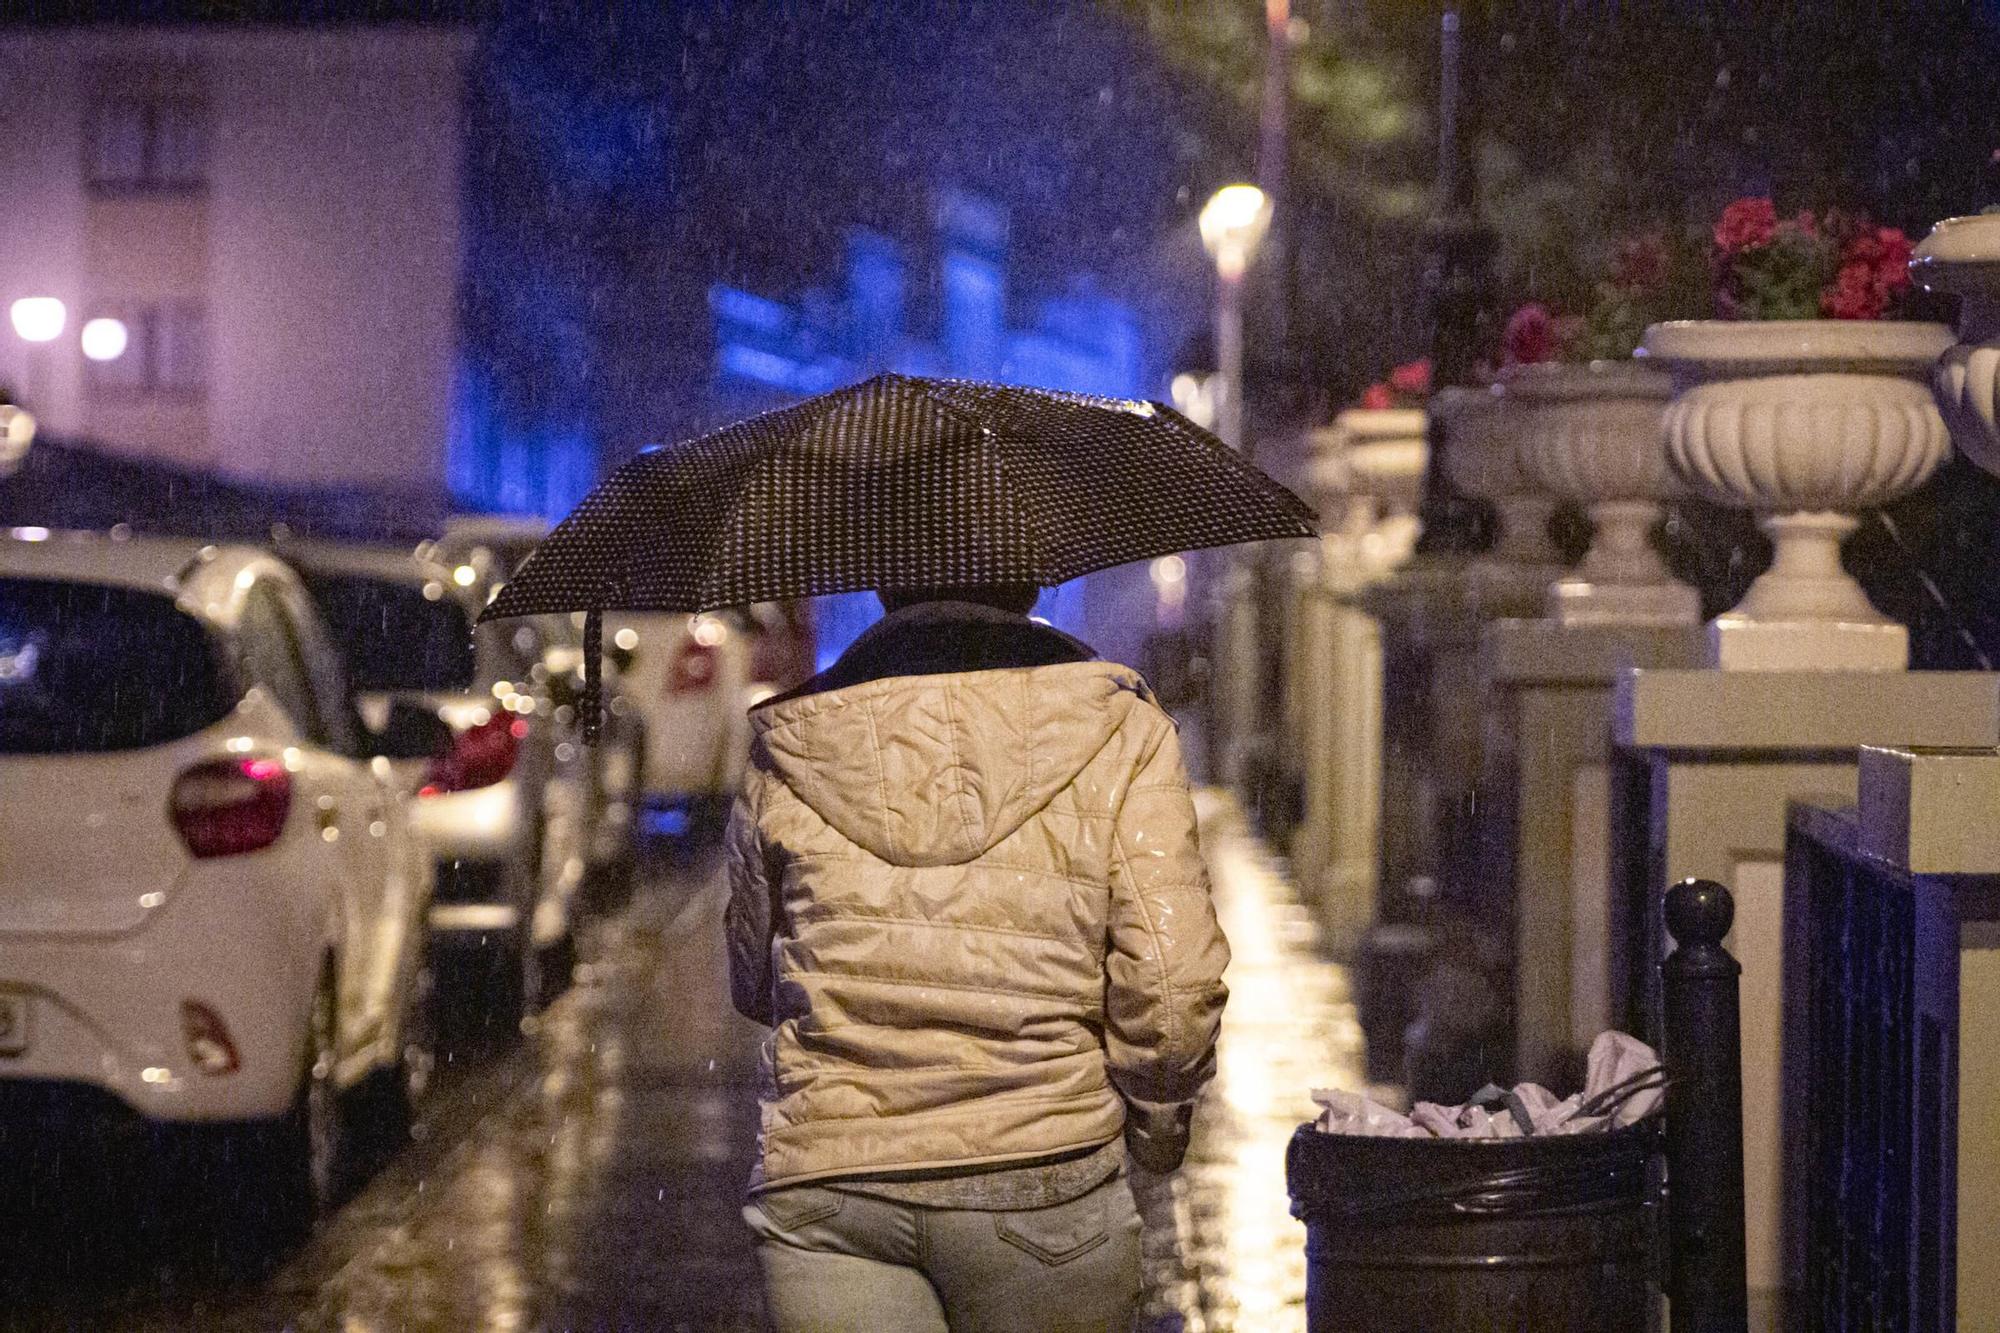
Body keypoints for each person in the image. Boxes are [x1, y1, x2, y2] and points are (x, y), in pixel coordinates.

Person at [726, 583, 1230, 1333]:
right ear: (1029, 575)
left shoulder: (792, 737)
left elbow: (751, 974)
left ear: (882, 579)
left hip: (834, 1193)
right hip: (1045, 1182)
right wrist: (1157, 1124)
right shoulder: (1121, 730)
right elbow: (1169, 988)